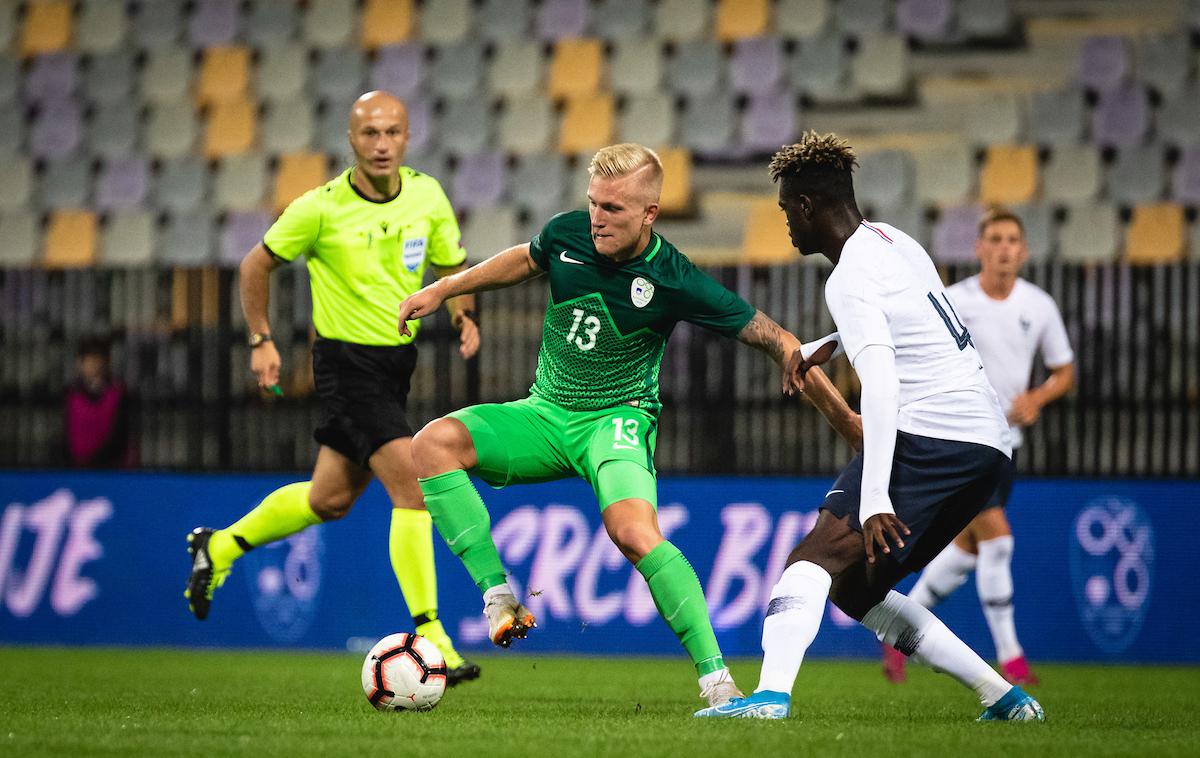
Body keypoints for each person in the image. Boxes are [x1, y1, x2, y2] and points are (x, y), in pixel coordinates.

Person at [396, 143, 863, 711]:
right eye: (594, 204)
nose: (597, 218)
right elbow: (524, 258)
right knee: (432, 445)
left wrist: (849, 423)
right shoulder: (567, 235)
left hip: (615, 423)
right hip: (545, 413)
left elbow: (777, 341)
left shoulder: (673, 276)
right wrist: (442, 288)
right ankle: (499, 598)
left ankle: (718, 682)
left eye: (614, 209)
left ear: (650, 214)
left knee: (633, 532)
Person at [695, 132, 1043, 721]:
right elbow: (914, 317)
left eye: (786, 211)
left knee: (810, 561)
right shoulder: (891, 239)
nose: (785, 224)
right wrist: (830, 344)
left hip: (934, 434)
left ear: (807, 206)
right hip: (986, 445)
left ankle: (770, 698)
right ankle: (1005, 698)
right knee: (857, 590)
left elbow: (882, 386)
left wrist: (877, 494)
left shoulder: (847, 277)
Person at [185, 91, 483, 685]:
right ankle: (432, 633)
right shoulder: (319, 208)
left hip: (396, 365)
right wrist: (261, 340)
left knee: (330, 500)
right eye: (369, 132)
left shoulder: (427, 195)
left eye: (392, 132)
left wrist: (461, 314)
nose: (380, 143)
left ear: (406, 137)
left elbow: (453, 267)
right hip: (345, 366)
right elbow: (254, 265)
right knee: (416, 487)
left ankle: (218, 548)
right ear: (351, 139)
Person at [882, 207, 1074, 686]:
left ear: (1024, 250)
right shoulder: (955, 300)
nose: (1005, 248)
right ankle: (1011, 659)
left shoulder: (1039, 306)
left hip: (1007, 445)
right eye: (996, 239)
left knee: (967, 550)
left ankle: (898, 632)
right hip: (962, 440)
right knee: (998, 538)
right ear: (980, 248)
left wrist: (1038, 397)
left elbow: (1064, 371)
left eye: (1013, 239)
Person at [64, 336, 134, 468]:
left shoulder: (117, 392)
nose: (93, 366)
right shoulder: (71, 395)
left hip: (110, 468)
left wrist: (99, 460)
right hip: (76, 467)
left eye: (96, 361)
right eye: (88, 361)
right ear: (80, 363)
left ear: (106, 363)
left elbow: (120, 434)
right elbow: (66, 434)